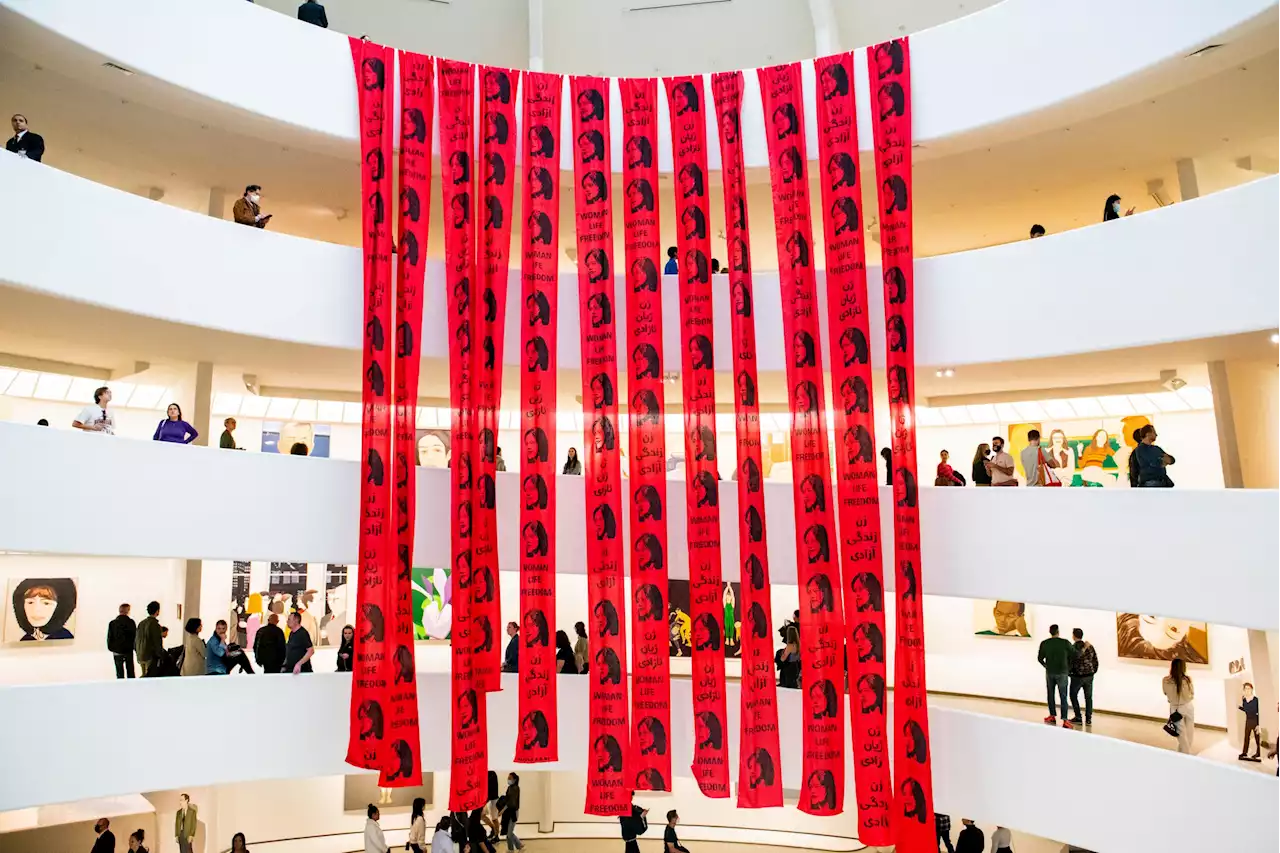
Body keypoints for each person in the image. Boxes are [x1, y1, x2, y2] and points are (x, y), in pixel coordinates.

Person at [1038, 623, 1076, 728]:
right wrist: (1069, 667)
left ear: (1050, 632)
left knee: (1050, 694)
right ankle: (1064, 720)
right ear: (1058, 631)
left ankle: (1052, 715)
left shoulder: (1045, 643)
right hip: (1063, 673)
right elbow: (1074, 654)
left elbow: (1040, 658)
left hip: (1050, 672)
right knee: (1063, 696)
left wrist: (1046, 666)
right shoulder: (1065, 643)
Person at [1163, 658, 1195, 753]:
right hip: (1188, 706)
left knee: (1181, 734)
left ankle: (1184, 754)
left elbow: (1165, 692)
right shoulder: (1187, 679)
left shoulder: (1166, 680)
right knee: (1190, 733)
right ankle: (1185, 754)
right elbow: (1192, 693)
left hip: (1175, 708)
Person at [1068, 627, 1098, 726]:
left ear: (1074, 636)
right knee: (1088, 698)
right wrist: (1093, 671)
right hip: (1089, 675)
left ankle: (1078, 716)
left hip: (1077, 676)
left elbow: (1072, 660)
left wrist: (1069, 673)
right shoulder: (1090, 646)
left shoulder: (1073, 647)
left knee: (1073, 695)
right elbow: (1095, 660)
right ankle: (1088, 719)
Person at [107, 603, 137, 679]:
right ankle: (132, 688)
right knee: (130, 671)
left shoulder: (113, 623)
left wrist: (112, 648)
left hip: (117, 651)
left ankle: (120, 688)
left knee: (119, 672)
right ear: (127, 611)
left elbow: (110, 637)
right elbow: (134, 636)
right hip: (128, 650)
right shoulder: (131, 622)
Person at [135, 601, 164, 676]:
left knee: (144, 674)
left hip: (140, 653)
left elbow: (136, 639)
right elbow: (157, 641)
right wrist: (160, 655)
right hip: (149, 655)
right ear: (157, 611)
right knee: (149, 676)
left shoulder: (141, 623)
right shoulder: (154, 624)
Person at [1239, 682, 1261, 761]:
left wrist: (1259, 724)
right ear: (1244, 690)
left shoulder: (1256, 700)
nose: (1247, 690)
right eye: (1246, 689)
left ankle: (1258, 753)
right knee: (1246, 738)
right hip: (1248, 721)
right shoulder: (1244, 699)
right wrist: (1240, 707)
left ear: (1252, 690)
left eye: (1249, 689)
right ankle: (1244, 752)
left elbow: (1257, 711)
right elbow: (1246, 710)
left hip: (1255, 721)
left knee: (1257, 738)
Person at [503, 773, 524, 851]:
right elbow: (507, 799)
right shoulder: (509, 788)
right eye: (508, 777)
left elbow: (511, 802)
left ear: (514, 780)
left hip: (513, 812)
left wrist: (503, 810)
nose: (508, 779)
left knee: (509, 833)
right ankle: (518, 845)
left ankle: (512, 849)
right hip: (509, 812)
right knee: (509, 832)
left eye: (510, 778)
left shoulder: (516, 788)